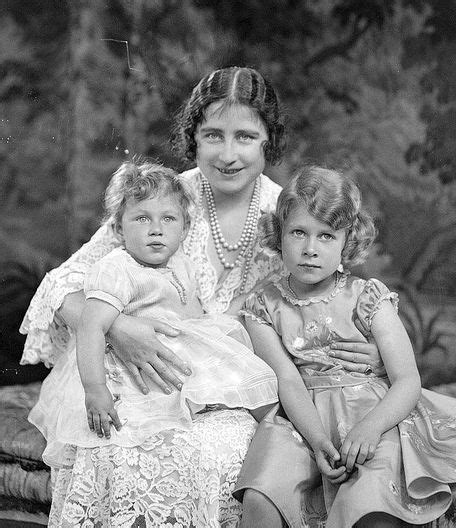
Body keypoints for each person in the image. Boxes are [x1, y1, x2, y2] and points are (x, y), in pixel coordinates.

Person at [20, 67, 383, 527]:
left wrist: (368, 349)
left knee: (223, 451)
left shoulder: (289, 215)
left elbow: (327, 303)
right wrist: (119, 325)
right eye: (213, 135)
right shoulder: (165, 200)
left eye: (246, 137)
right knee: (125, 449)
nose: (228, 155)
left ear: (269, 140)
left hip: (229, 387)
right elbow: (60, 286)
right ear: (193, 137)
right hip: (133, 379)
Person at [235, 166, 456, 528]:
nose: (310, 249)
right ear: (280, 235)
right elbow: (288, 380)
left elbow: (407, 379)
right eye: (298, 232)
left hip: (370, 415)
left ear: (348, 241)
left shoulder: (367, 297)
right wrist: (317, 442)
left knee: (369, 501)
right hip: (301, 421)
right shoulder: (262, 306)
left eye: (327, 236)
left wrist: (370, 429)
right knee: (262, 496)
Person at [38, 160, 278, 469]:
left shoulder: (181, 263)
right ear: (118, 228)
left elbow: (194, 317)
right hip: (134, 366)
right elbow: (90, 327)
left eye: (168, 219)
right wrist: (95, 390)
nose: (156, 230)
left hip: (176, 349)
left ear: (185, 227)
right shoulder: (118, 268)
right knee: (161, 417)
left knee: (254, 381)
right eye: (141, 218)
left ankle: (279, 434)